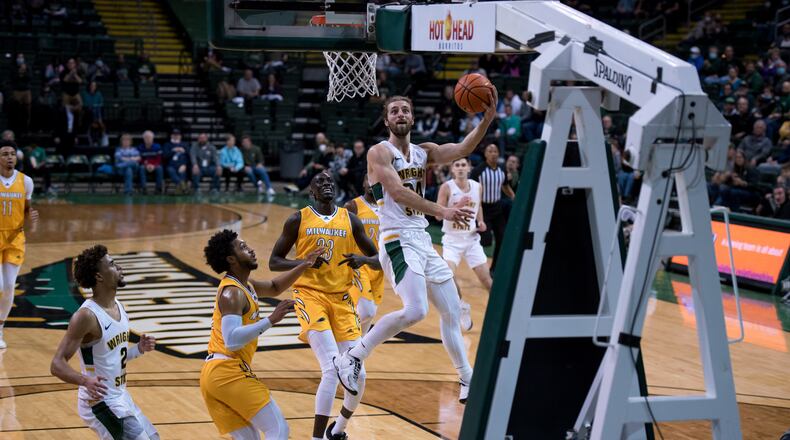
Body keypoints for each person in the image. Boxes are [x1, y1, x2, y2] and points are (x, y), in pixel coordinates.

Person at [335, 91, 498, 405]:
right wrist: (444, 212)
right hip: (397, 238)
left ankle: (467, 378)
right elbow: (397, 193)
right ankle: (353, 357)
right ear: (387, 120)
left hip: (422, 239)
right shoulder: (379, 153)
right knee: (416, 310)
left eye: (405, 110)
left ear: (412, 118)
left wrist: (486, 120)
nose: (400, 114)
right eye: (394, 110)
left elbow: (463, 148)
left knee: (451, 311)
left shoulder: (425, 152)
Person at [269, 171, 380, 440]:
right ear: (311, 192)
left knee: (359, 374)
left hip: (342, 299)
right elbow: (274, 261)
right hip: (310, 295)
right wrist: (303, 262)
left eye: (330, 181)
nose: (326, 184)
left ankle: (338, 429)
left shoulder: (350, 220)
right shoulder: (298, 219)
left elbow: (379, 258)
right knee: (331, 368)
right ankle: (316, 438)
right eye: (320, 182)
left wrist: (363, 261)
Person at [200, 229, 321, 440]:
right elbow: (231, 340)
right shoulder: (232, 293)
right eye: (243, 247)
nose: (251, 249)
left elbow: (274, 287)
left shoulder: (246, 285)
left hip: (216, 375)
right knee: (278, 429)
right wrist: (271, 320)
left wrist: (303, 264)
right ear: (231, 259)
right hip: (226, 371)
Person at [50, 245, 158, 439]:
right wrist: (85, 381)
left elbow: (112, 358)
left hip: (120, 396)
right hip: (99, 402)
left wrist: (138, 349)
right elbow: (57, 365)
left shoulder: (118, 306)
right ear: (99, 276)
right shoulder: (86, 316)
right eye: (112, 264)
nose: (119, 268)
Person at [437, 157, 492, 332]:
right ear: (452, 169)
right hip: (452, 240)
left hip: (471, 239)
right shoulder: (446, 187)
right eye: (457, 165)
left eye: (463, 165)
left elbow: (479, 206)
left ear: (469, 168)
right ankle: (461, 306)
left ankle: (500, 314)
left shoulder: (477, 186)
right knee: (448, 276)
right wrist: (457, 206)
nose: (460, 168)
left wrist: (481, 221)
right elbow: (438, 215)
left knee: (487, 280)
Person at [0, 141, 37, 349]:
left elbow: (26, 209)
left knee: (8, 288)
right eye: (5, 154)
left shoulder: (26, 181)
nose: (9, 157)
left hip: (15, 238)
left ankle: (0, 328)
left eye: (12, 154)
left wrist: (30, 215)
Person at [344, 174, 384, 335]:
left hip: (379, 265)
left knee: (369, 314)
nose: (372, 183)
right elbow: (341, 232)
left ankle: (357, 356)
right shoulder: (353, 205)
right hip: (359, 264)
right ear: (363, 182)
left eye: (377, 180)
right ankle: (341, 332)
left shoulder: (389, 207)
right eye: (369, 179)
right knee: (367, 312)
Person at [470, 144, 515, 272]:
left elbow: (505, 186)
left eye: (495, 151)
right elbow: (471, 189)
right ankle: (475, 257)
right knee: (486, 240)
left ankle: (494, 269)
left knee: (502, 238)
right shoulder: (478, 171)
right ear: (485, 154)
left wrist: (513, 197)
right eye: (490, 151)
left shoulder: (502, 169)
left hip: (497, 208)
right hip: (482, 209)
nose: (493, 153)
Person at [163, 129, 190, 194]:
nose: (176, 136)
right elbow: (165, 156)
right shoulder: (167, 145)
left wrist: (184, 164)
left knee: (182, 172)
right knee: (171, 170)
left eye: (177, 135)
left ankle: (179, 189)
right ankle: (182, 186)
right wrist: (173, 150)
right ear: (171, 136)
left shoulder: (185, 145)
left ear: (180, 136)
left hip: (182, 165)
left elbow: (188, 156)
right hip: (171, 165)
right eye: (174, 135)